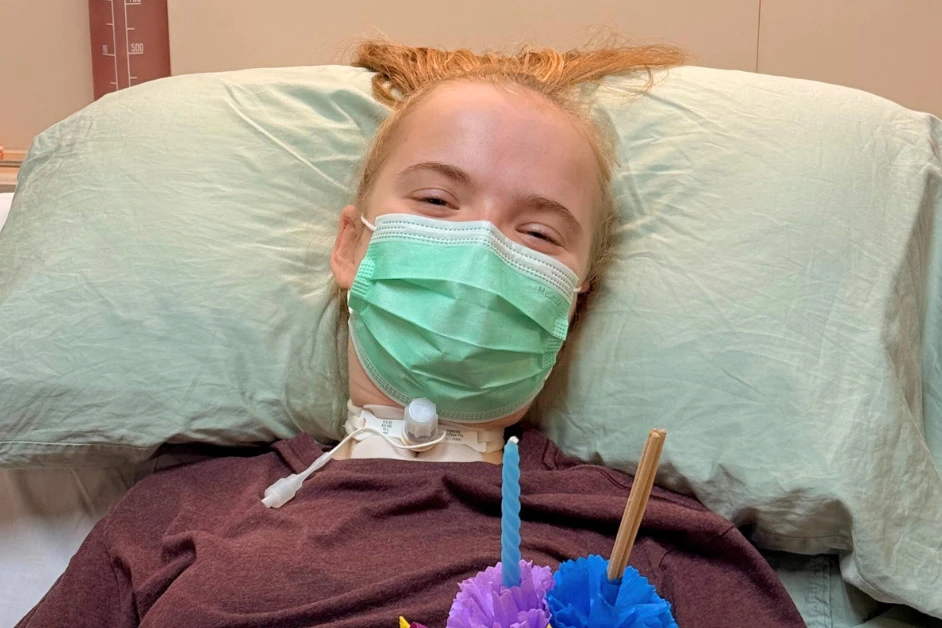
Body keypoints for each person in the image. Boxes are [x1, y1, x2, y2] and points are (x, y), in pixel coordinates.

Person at [17, 41, 806, 627]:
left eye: (537, 233)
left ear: (573, 305)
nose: (481, 247)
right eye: (436, 201)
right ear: (352, 247)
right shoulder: (181, 511)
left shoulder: (649, 536)